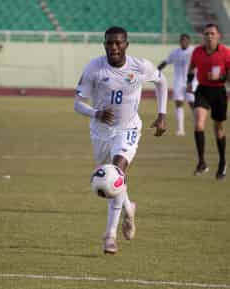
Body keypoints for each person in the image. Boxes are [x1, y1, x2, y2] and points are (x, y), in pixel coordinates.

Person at [74, 26, 167, 254]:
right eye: (109, 43)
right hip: (100, 132)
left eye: (118, 43)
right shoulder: (94, 68)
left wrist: (162, 115)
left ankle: (110, 236)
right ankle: (128, 207)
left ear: (126, 44)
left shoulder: (140, 66)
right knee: (113, 182)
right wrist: (96, 113)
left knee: (116, 172)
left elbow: (162, 82)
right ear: (104, 44)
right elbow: (78, 103)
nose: (113, 47)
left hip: (128, 128)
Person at [187, 23, 229, 179]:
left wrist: (221, 77)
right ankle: (202, 162)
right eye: (206, 34)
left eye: (212, 33)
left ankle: (222, 162)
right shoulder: (197, 51)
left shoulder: (225, 52)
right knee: (198, 124)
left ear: (218, 36)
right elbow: (191, 68)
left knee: (218, 129)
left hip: (219, 92)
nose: (209, 36)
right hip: (202, 90)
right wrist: (189, 82)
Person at [158, 34, 197, 136]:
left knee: (192, 103)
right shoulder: (175, 52)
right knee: (179, 103)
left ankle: (198, 125)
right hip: (178, 81)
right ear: (179, 41)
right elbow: (165, 62)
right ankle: (180, 129)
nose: (183, 42)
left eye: (185, 40)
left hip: (191, 81)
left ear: (189, 41)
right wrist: (155, 71)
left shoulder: (194, 51)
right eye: (182, 40)